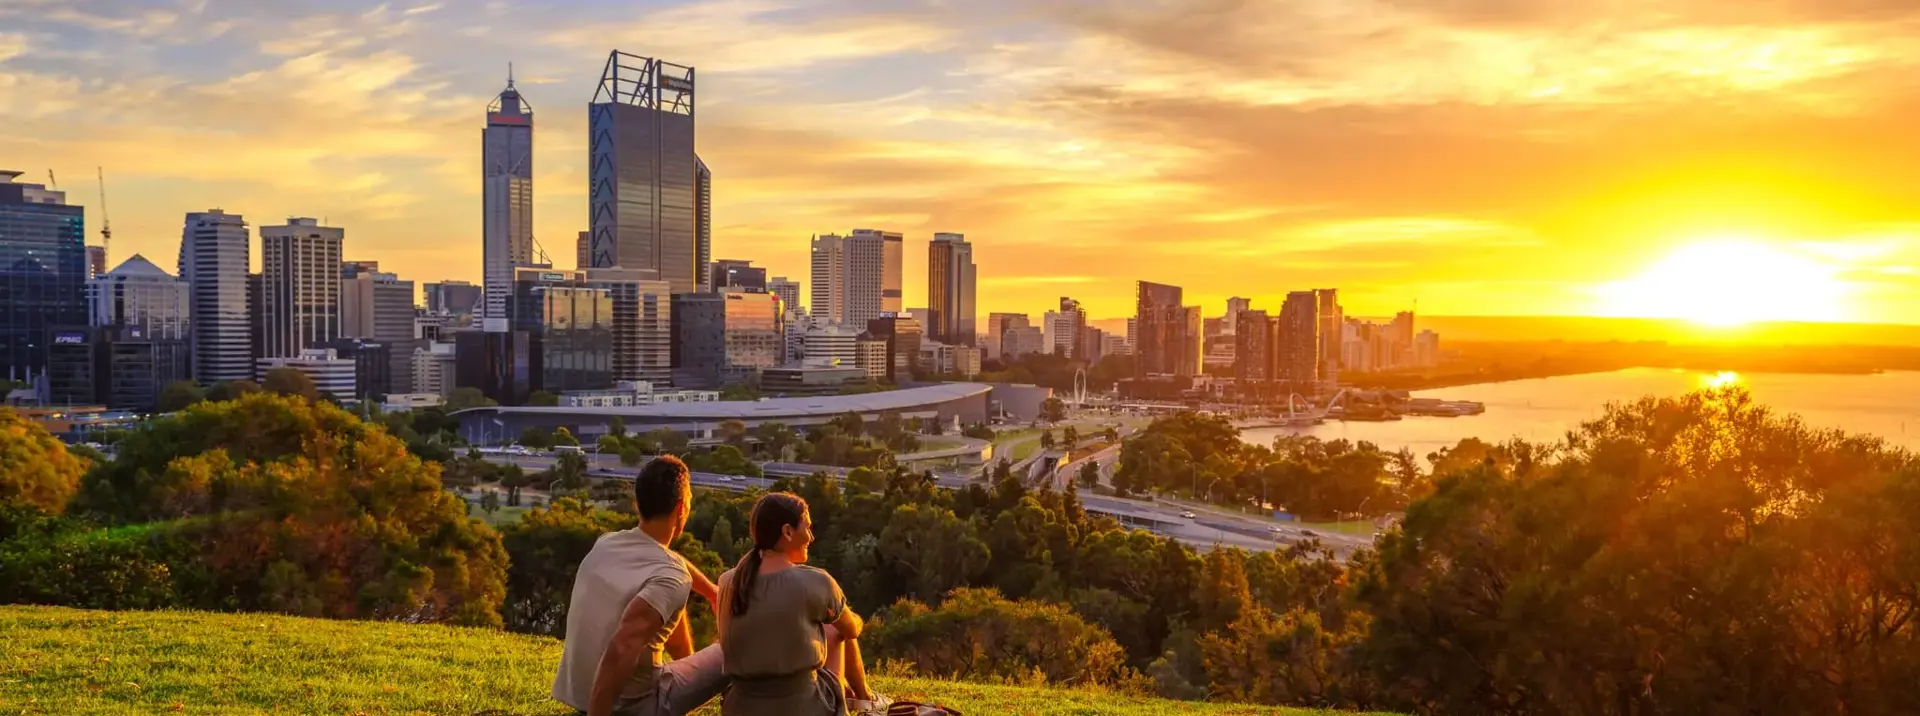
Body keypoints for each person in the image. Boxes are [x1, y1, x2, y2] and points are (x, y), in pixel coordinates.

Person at [552, 455, 727, 716]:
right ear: (681, 509)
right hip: (630, 707)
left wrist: (710, 591)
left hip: (580, 694)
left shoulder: (607, 543)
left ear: (637, 504)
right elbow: (621, 648)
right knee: (735, 647)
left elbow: (669, 563)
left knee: (662, 600)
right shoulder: (669, 576)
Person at [717, 492, 885, 716]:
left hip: (740, 707)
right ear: (787, 531)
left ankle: (864, 698)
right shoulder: (816, 581)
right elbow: (851, 629)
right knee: (836, 631)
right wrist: (852, 616)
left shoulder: (728, 581)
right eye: (807, 527)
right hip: (802, 708)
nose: (811, 537)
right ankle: (865, 698)